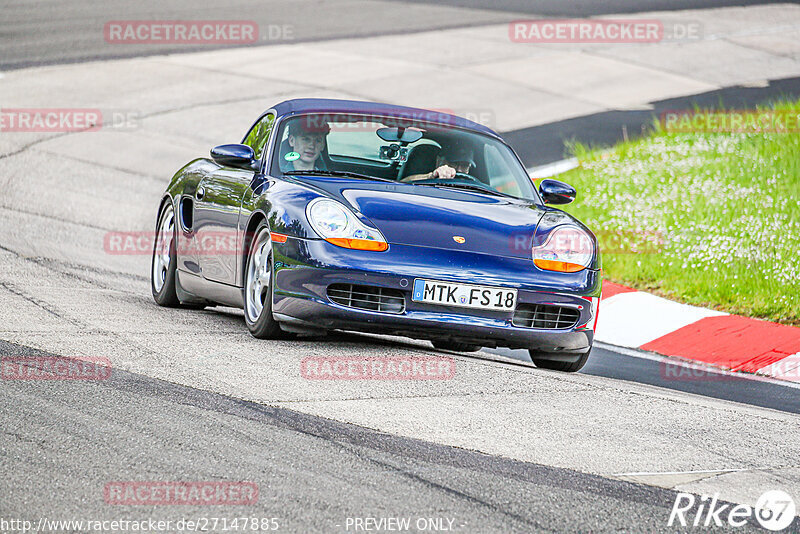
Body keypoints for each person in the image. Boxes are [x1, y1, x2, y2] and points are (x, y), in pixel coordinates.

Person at [399, 145, 476, 182]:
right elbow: (403, 183)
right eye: (454, 163)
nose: (459, 169)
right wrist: (431, 176)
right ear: (439, 161)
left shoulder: (475, 188)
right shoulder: (428, 177)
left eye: (465, 166)